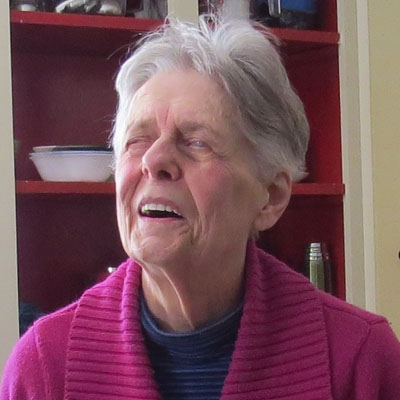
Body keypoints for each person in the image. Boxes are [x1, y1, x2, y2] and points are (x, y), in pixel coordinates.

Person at [2, 16, 400, 400]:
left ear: (271, 196)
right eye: (137, 140)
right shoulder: (44, 365)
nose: (153, 161)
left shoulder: (359, 358)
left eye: (196, 142)